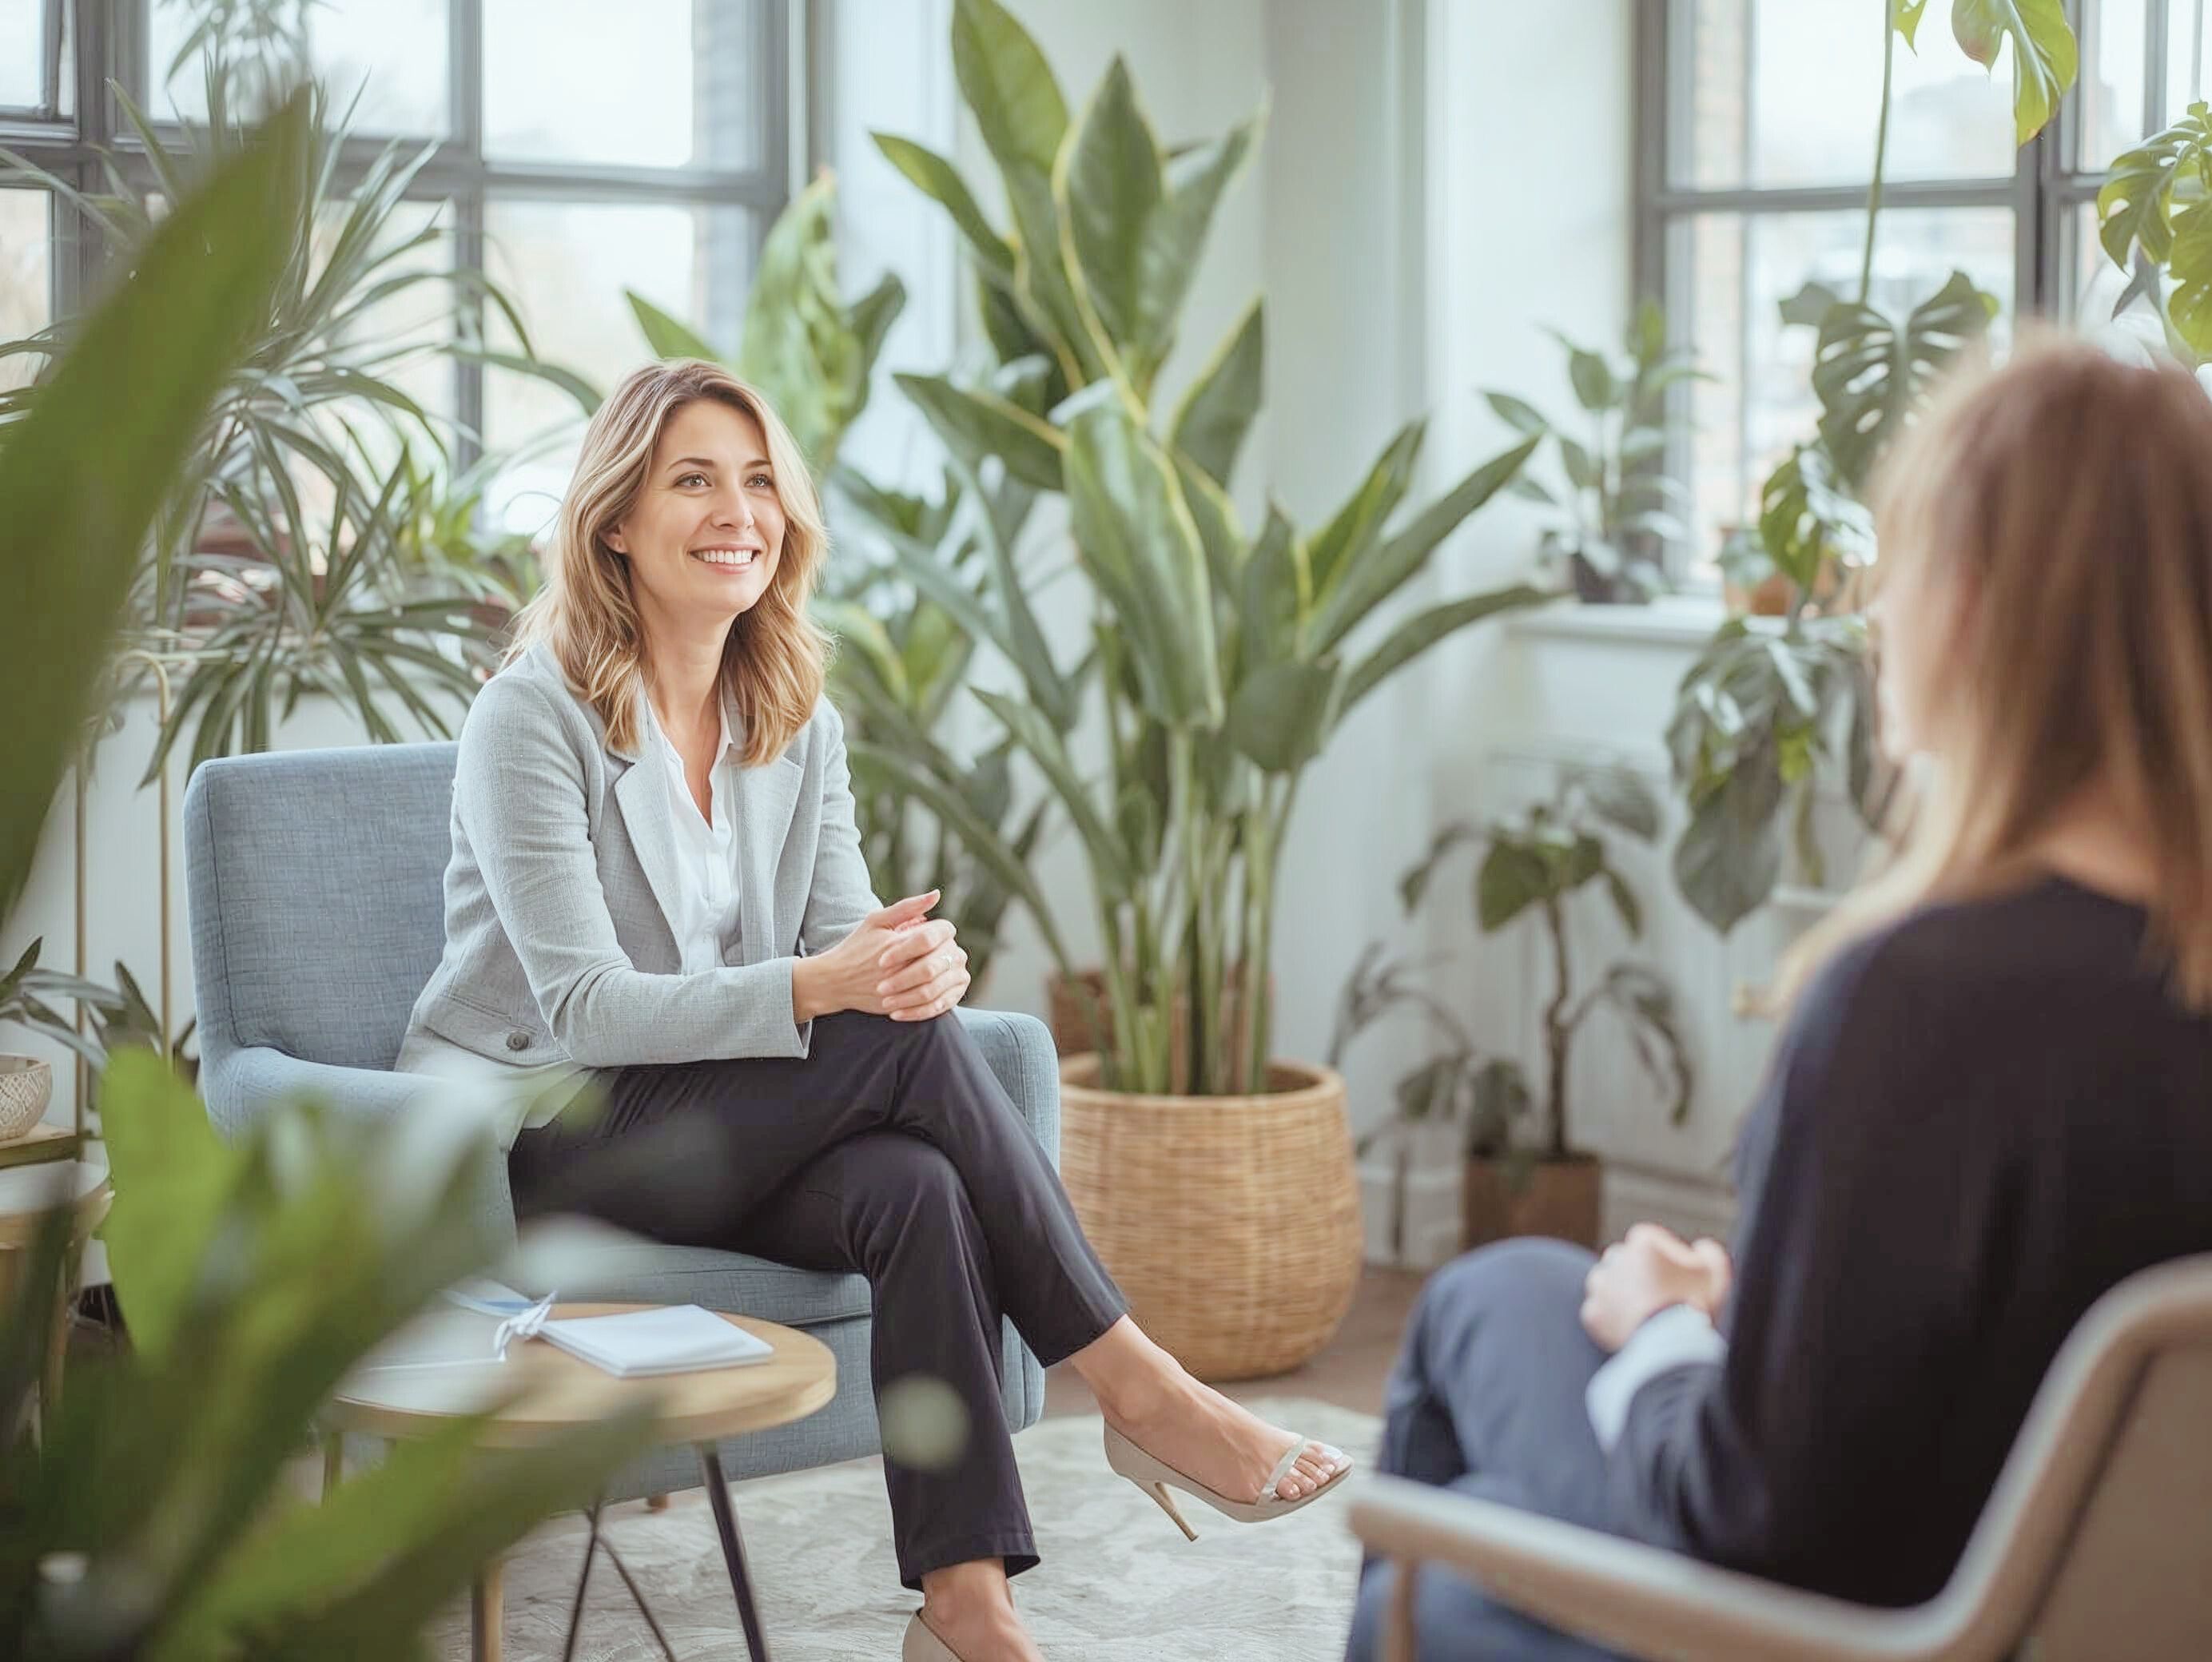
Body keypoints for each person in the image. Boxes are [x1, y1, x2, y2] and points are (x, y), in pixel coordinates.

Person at [395, 359, 1351, 1662]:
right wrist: (831, 987)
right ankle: (1140, 1385)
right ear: (614, 519)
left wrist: (914, 970)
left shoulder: (795, 719)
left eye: (758, 482)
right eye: (693, 481)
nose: (738, 512)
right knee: (879, 1042)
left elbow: (857, 951)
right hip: (552, 1138)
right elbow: (584, 1009)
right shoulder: (531, 716)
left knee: (917, 1185)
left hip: (720, 1133)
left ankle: (966, 1602)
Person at [1346, 334, 2212, 1660]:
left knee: (1440, 1547)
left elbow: (1756, 1520)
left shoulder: (1921, 1002)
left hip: (1867, 1627)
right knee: (1507, 1286)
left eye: (1897, 567)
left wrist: (1664, 1335)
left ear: (1971, 606)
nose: (1872, 616)